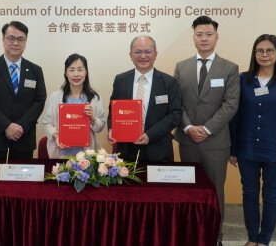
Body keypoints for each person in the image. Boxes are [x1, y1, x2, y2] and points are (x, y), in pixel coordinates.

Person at [174, 15, 240, 246]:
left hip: (216, 143)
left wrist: (208, 128)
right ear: (193, 37)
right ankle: (191, 232)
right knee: (189, 189)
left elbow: (231, 104)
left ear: (216, 36)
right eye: (199, 34)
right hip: (188, 140)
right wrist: (190, 127)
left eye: (208, 34)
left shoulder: (230, 68)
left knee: (214, 191)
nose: (204, 38)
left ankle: (215, 235)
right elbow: (176, 103)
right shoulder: (181, 67)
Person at [229, 34, 276, 246]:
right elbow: (235, 118)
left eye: (270, 50)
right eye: (260, 50)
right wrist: (233, 149)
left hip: (275, 152)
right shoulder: (243, 80)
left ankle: (264, 240)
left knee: (271, 196)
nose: (264, 55)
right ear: (254, 54)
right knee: (249, 194)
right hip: (246, 149)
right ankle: (252, 238)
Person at [0, 21, 46, 167]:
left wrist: (20, 126)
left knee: (22, 185)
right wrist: (7, 126)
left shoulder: (35, 70)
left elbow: (39, 101)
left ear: (25, 42)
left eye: (20, 39)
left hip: (24, 136)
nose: (15, 43)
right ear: (3, 40)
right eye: (11, 38)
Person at [107, 35, 182, 163]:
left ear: (155, 54)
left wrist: (149, 135)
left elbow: (175, 114)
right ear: (131, 55)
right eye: (138, 52)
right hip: (126, 150)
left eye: (147, 51)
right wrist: (111, 128)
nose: (143, 56)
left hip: (158, 149)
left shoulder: (169, 82)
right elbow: (113, 110)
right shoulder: (120, 80)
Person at [42, 53, 105, 158]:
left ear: (86, 72)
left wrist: (93, 118)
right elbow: (46, 124)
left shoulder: (94, 98)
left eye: (80, 69)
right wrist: (55, 135)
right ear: (66, 73)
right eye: (71, 70)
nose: (76, 74)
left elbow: (100, 127)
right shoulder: (55, 97)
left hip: (86, 156)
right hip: (61, 153)